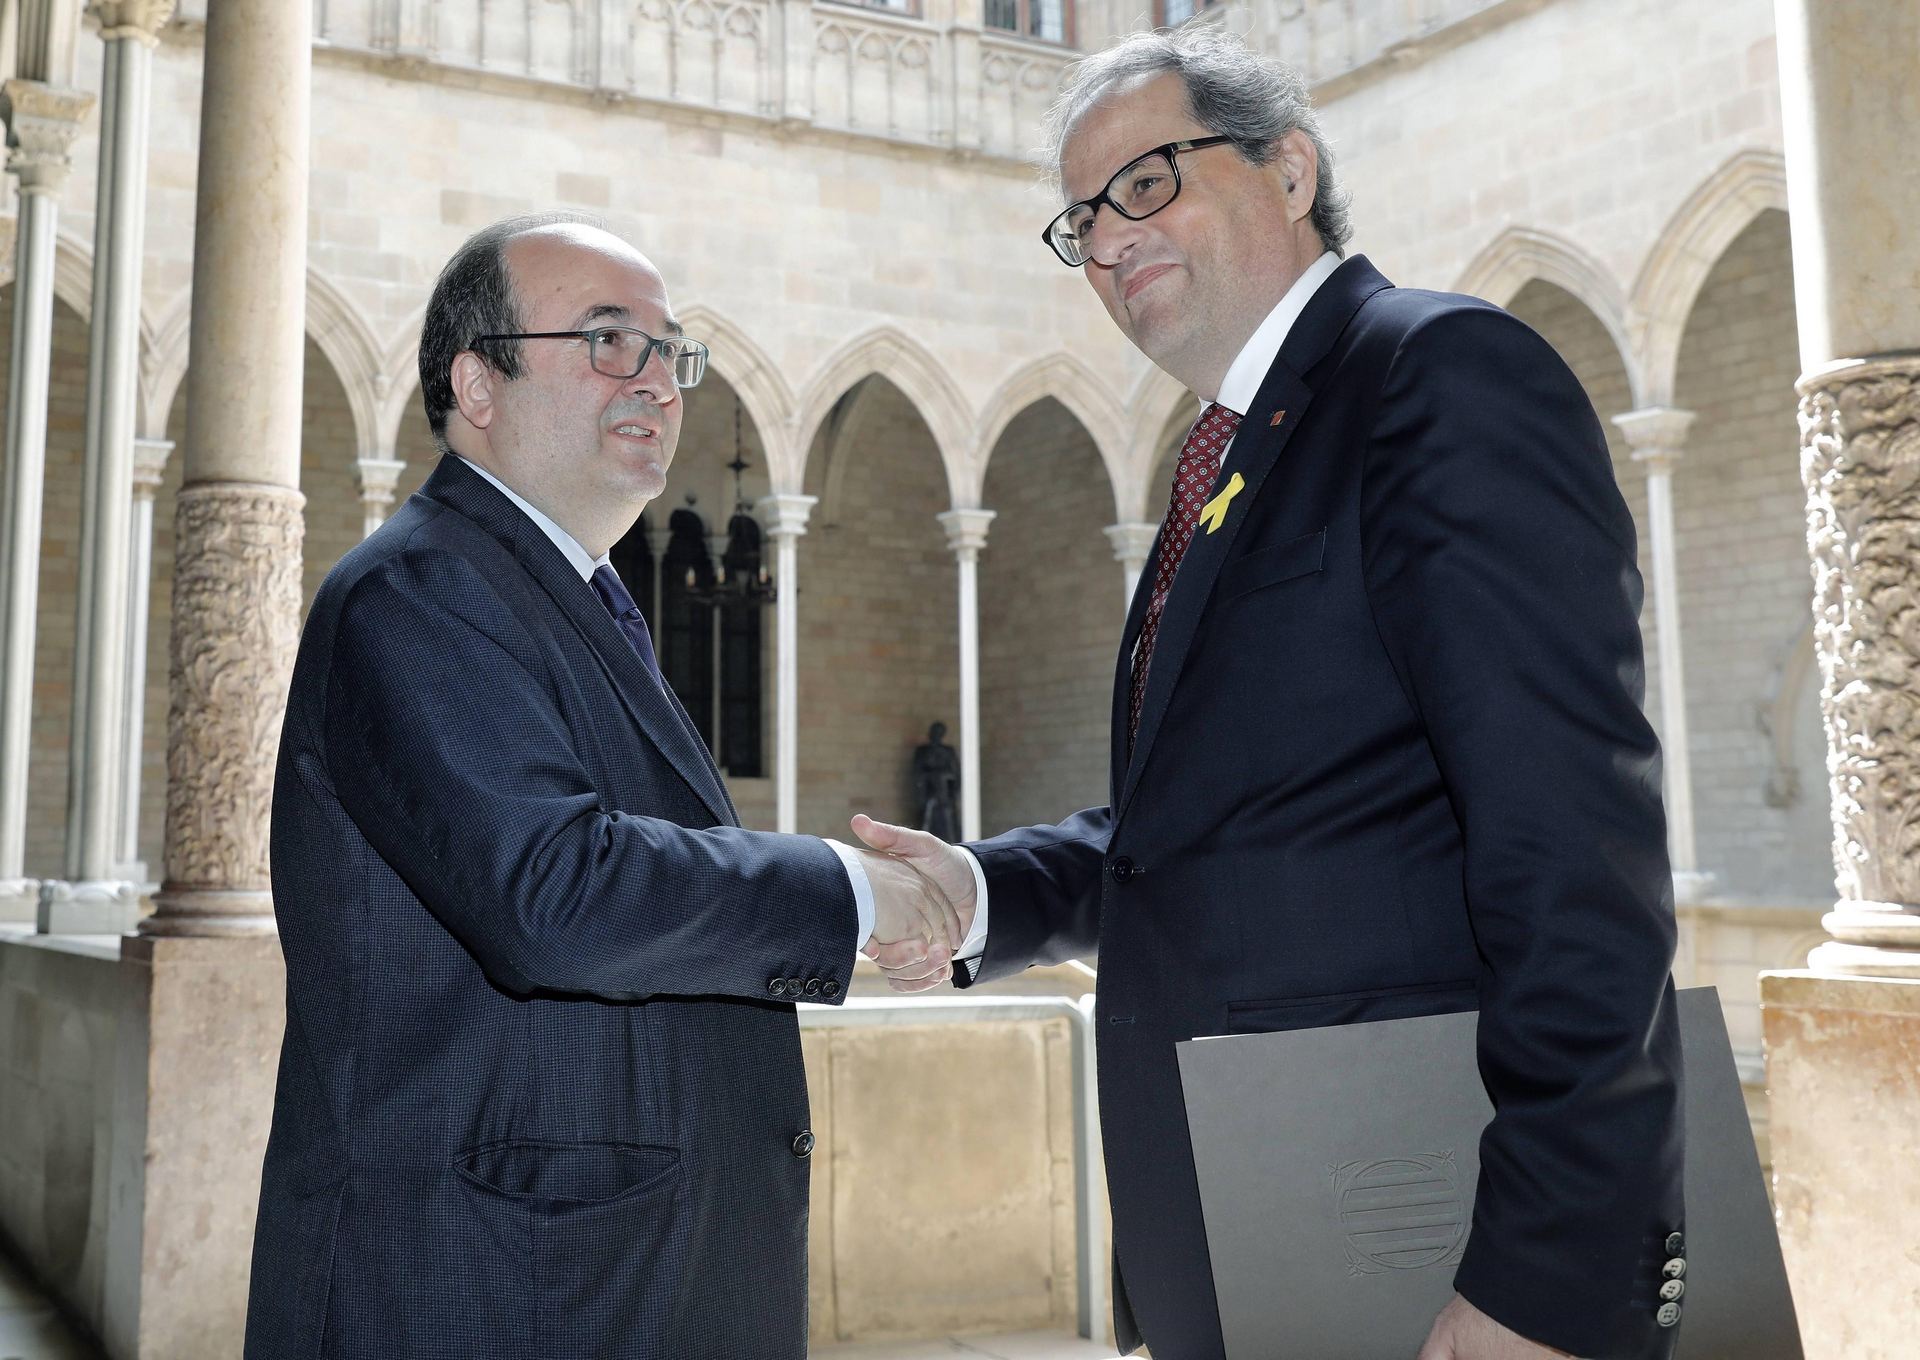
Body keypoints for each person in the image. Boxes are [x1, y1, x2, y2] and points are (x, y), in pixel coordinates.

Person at [855, 27, 1685, 1360]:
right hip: (1257, 1228)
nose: (1112, 240)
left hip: (1418, 1229)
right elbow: (1219, 824)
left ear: (1289, 170)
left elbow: (1573, 847)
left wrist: (1551, 1273)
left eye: (1147, 183)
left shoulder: (1436, 377)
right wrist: (983, 893)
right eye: (1083, 219)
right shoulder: (1227, 456)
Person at [245, 214, 963, 1359]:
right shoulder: (421, 591)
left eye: (669, 352)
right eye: (606, 340)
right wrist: (850, 889)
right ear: (477, 383)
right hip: (490, 1290)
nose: (659, 383)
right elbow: (557, 893)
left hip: (600, 1280)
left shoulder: (557, 595)